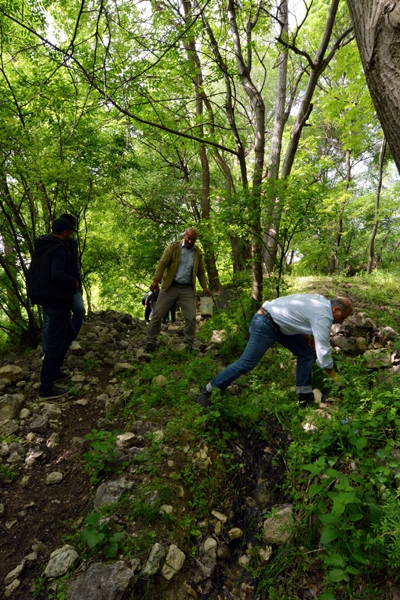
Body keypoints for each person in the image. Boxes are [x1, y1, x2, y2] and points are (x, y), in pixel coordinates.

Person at [196, 294, 352, 408]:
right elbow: (323, 351)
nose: (341, 321)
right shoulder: (324, 314)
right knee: (246, 363)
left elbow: (296, 314)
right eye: (343, 317)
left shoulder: (319, 301)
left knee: (306, 352)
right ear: (335, 309)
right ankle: (208, 390)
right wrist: (334, 376)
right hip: (266, 324)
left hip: (279, 325)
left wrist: (304, 336)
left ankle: (304, 397)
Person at [27, 218, 79, 400]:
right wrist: (74, 282)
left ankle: (55, 371)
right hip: (57, 301)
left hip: (46, 298)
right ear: (65, 233)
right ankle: (46, 388)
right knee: (56, 344)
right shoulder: (59, 248)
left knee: (69, 334)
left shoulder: (43, 246)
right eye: (70, 233)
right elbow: (57, 275)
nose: (71, 236)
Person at [145, 227, 210, 352]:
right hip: (170, 286)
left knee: (191, 317)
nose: (190, 241)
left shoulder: (198, 253)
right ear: (184, 236)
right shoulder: (173, 247)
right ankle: (151, 342)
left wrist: (204, 287)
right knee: (157, 314)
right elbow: (163, 263)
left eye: (193, 239)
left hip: (187, 289)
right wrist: (155, 280)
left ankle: (188, 344)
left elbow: (201, 271)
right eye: (188, 238)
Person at [42, 213, 85, 353]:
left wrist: (78, 282)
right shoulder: (48, 242)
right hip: (53, 287)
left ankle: (69, 340)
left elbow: (75, 264)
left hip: (72, 285)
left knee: (79, 310)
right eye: (72, 228)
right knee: (49, 320)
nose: (73, 231)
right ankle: (47, 351)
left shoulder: (72, 243)